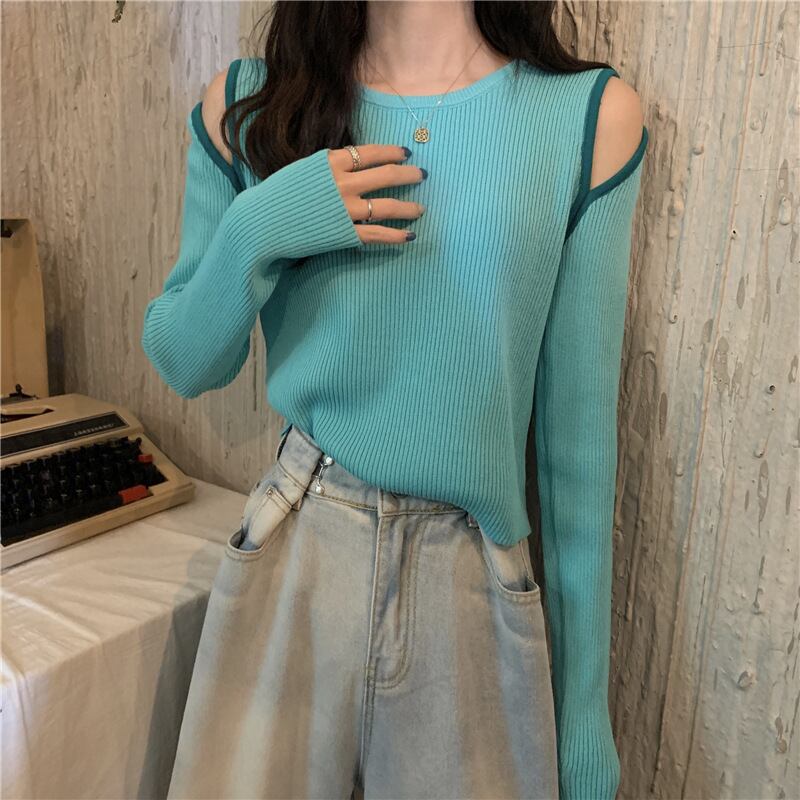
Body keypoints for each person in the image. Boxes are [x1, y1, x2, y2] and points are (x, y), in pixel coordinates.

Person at [141, 2, 648, 798]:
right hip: (300, 548)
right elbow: (184, 359)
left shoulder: (586, 120)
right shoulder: (252, 107)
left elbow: (576, 452)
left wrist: (582, 718)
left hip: (471, 581)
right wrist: (256, 228)